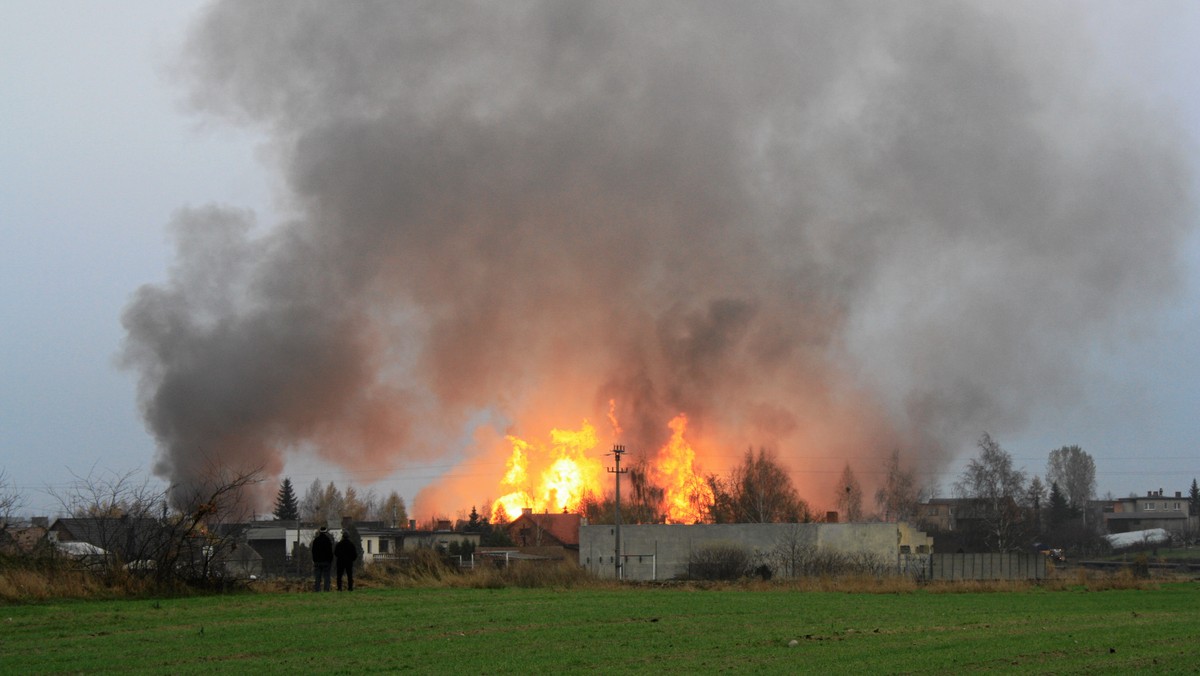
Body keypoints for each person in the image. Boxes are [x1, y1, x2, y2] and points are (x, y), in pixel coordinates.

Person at [311, 526, 333, 592]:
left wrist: (314, 560)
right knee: (326, 577)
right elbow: (330, 552)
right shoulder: (328, 540)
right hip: (326, 562)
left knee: (317, 577)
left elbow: (313, 551)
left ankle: (317, 589)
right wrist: (330, 560)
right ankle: (326, 589)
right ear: (326, 532)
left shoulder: (316, 540)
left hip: (317, 562)